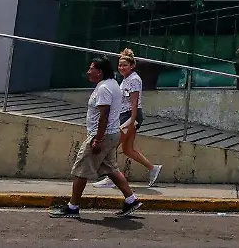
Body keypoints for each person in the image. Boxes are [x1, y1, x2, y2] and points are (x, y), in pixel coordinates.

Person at [49, 57, 142, 219]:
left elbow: (103, 116)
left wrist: (97, 139)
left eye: (91, 69)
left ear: (99, 72)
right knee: (111, 169)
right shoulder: (112, 84)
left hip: (102, 136)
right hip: (111, 134)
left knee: (81, 170)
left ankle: (73, 207)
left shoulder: (104, 88)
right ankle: (131, 200)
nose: (88, 72)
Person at [94, 49, 163, 188]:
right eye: (120, 65)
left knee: (112, 144)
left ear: (132, 66)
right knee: (127, 149)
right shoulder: (126, 79)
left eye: (124, 65)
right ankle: (153, 168)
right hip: (127, 116)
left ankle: (112, 177)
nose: (121, 68)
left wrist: (131, 121)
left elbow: (134, 102)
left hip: (131, 116)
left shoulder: (134, 80)